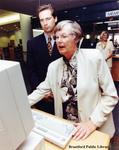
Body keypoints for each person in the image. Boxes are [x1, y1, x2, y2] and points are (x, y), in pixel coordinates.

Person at [28, 20, 118, 140]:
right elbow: (41, 91)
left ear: (76, 38)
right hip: (67, 130)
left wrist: (92, 123)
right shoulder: (54, 66)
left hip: (95, 129)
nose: (59, 40)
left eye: (64, 36)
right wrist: (19, 107)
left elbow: (111, 96)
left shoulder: (95, 58)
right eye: (57, 37)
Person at [27, 4, 61, 113]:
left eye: (48, 18)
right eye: (42, 20)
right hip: (42, 97)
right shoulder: (32, 43)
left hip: (63, 96)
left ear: (55, 18)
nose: (45, 23)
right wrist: (43, 92)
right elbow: (31, 71)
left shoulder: (64, 39)